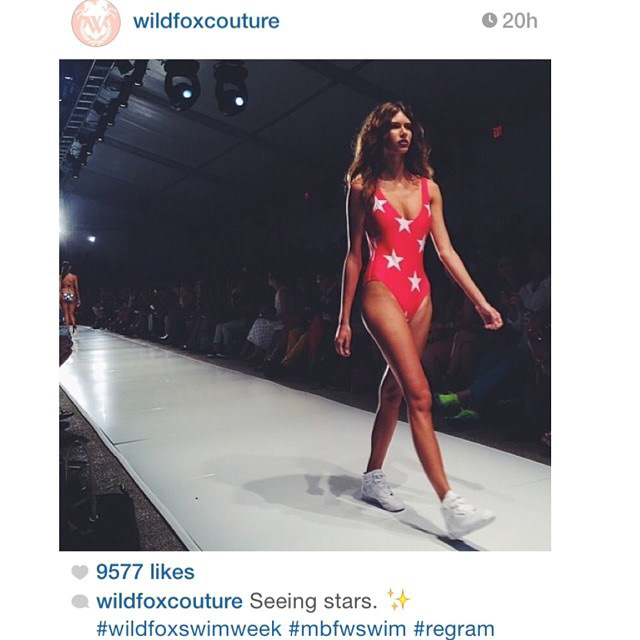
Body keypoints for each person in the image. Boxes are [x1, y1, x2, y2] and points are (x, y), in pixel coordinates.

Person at [334, 102, 503, 539]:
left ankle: (372, 476)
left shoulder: (430, 189)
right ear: (379, 134)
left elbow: (446, 252)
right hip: (380, 291)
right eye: (394, 126)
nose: (404, 132)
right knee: (420, 395)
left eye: (408, 126)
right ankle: (450, 503)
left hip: (420, 295)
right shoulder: (362, 187)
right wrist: (344, 318)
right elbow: (354, 255)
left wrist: (481, 302)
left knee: (393, 391)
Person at [60, 261, 81, 334]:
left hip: (64, 294)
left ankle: (67, 329)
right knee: (71, 312)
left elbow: (59, 288)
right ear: (69, 268)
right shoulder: (74, 277)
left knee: (66, 313)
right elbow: (76, 288)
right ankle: (74, 326)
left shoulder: (60, 277)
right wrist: (79, 299)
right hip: (72, 294)